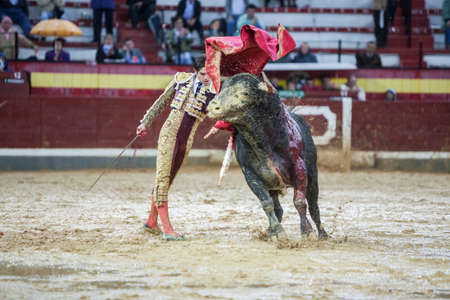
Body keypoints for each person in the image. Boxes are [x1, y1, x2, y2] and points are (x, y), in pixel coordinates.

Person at [136, 55, 216, 240]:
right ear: (195, 72)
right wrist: (145, 122)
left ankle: (151, 222)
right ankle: (167, 229)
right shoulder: (181, 79)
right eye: (203, 74)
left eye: (209, 73)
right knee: (163, 179)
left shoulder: (214, 91)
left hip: (186, 141)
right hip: (168, 135)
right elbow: (162, 101)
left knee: (168, 179)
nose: (206, 77)